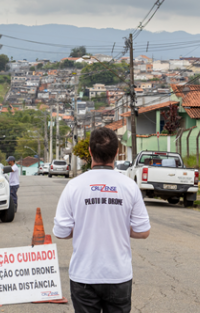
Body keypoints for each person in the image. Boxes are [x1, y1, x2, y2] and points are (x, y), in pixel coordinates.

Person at [53, 127, 150, 313]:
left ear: (90, 152)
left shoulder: (74, 186)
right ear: (116, 153)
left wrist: (83, 226)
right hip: (118, 275)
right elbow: (143, 232)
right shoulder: (129, 186)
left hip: (84, 275)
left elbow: (61, 232)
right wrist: (119, 226)